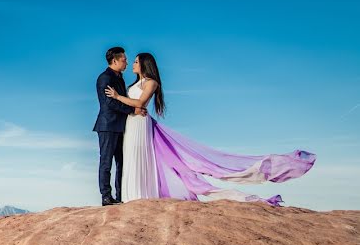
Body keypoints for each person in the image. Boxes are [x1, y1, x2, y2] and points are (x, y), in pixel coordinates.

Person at [105, 52, 315, 205]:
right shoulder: (132, 83)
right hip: (131, 123)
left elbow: (140, 103)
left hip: (140, 125)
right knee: (130, 157)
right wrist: (126, 105)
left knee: (139, 156)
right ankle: (129, 196)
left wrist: (117, 97)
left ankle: (141, 196)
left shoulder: (151, 82)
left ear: (145, 64)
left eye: (135, 61)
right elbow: (133, 105)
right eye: (130, 61)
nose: (132, 63)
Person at [92, 47, 146, 206]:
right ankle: (106, 197)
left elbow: (121, 99)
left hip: (121, 126)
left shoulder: (119, 78)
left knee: (122, 162)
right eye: (124, 60)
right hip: (107, 125)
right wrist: (132, 110)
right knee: (106, 162)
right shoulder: (104, 78)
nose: (127, 62)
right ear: (114, 61)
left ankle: (120, 195)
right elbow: (110, 102)